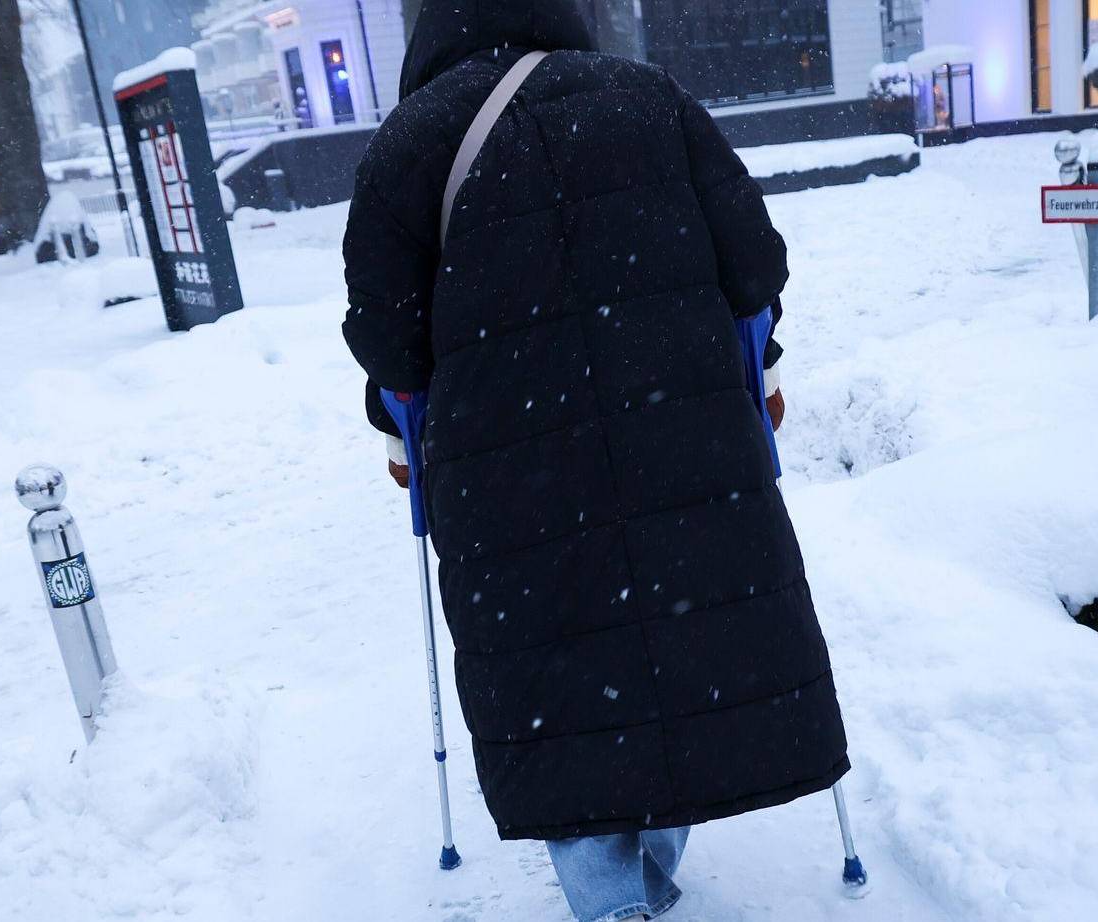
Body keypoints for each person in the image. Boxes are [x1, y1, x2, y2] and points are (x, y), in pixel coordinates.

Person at [340, 3, 848, 920]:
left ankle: (608, 897)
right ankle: (659, 853)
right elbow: (754, 265)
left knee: (556, 667)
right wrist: (756, 366)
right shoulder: (650, 97)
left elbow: (387, 338)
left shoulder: (406, 144)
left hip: (507, 468)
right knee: (689, 635)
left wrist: (399, 432)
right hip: (680, 430)